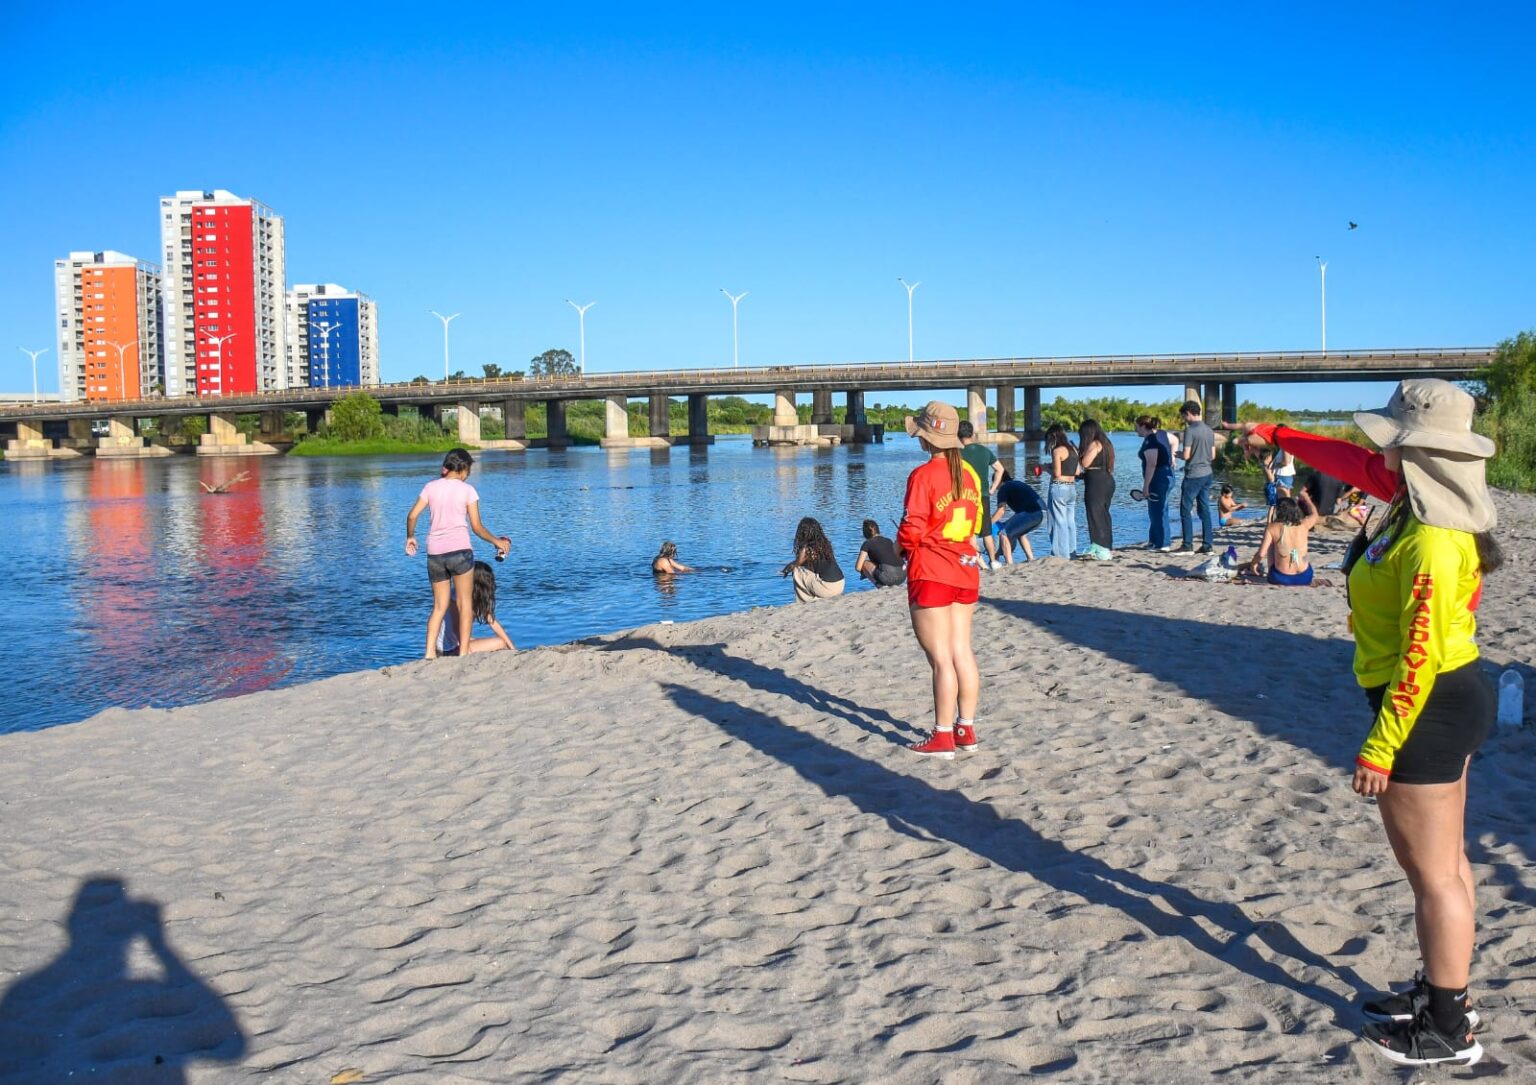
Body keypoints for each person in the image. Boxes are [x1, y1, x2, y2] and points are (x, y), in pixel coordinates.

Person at [1231, 379, 1501, 1067]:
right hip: (1444, 698)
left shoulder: (1436, 538)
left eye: (1393, 442)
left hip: (1427, 704)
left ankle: (1447, 1028)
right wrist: (1282, 436)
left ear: (1419, 450)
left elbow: (1419, 658)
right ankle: (1449, 994)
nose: (1382, 455)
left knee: (1432, 874)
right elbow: (1354, 464)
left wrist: (1380, 747)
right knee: (1448, 862)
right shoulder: (1420, 495)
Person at [897, 401, 983, 759]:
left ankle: (943, 735)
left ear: (925, 437)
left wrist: (901, 549)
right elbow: (976, 526)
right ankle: (966, 727)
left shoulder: (922, 475)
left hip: (931, 570)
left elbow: (913, 526)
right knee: (962, 650)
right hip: (965, 569)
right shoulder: (970, 474)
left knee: (940, 659)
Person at [404, 448, 510, 660]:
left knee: (439, 606)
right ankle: (463, 654)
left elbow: (412, 515)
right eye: (469, 469)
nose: (469, 473)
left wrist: (411, 536)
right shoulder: (467, 491)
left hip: (434, 553)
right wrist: (497, 542)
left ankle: (429, 654)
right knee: (464, 604)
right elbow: (477, 527)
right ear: (462, 468)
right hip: (460, 552)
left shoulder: (430, 487)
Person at [438, 561, 516, 655]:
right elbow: (456, 626)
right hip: (448, 649)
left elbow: (492, 622)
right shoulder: (456, 596)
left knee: (500, 643)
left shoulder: (474, 596)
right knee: (500, 643)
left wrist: (512, 648)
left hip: (457, 644)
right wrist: (465, 650)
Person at [959, 420, 1004, 569]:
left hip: (966, 496)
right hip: (984, 494)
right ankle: (994, 561)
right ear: (972, 434)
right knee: (987, 532)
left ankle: (980, 564)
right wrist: (993, 488)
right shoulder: (984, 451)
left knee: (970, 530)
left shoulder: (957, 453)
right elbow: (1000, 469)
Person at [1248, 491, 1319, 585]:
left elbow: (1261, 554)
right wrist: (1307, 499)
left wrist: (1253, 564)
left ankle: (1272, 570)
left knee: (1271, 543)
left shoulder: (1272, 527)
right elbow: (1315, 514)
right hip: (1305, 577)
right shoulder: (1304, 524)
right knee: (1293, 550)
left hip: (1280, 578)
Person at [1176, 399, 1217, 553]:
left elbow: (1186, 455)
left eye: (1184, 416)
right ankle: (1207, 545)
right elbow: (1212, 455)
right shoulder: (1209, 430)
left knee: (1185, 508)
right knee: (1204, 509)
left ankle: (1187, 544)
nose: (1184, 420)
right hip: (1208, 473)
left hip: (1193, 474)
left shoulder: (1190, 430)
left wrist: (1178, 454)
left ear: (1188, 413)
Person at [781, 517, 845, 602]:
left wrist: (785, 571)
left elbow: (795, 564)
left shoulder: (807, 549)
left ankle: (804, 601)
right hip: (840, 584)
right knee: (807, 570)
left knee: (797, 570)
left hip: (828, 588)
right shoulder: (826, 545)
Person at [1135, 415, 1175, 550]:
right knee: (1156, 510)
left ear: (1143, 426)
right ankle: (1154, 541)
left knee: (1158, 510)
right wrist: (1172, 457)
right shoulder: (1160, 434)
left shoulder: (1151, 441)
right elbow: (1175, 440)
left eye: (1137, 426)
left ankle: (1163, 543)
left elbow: (1151, 464)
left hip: (1159, 478)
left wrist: (1145, 486)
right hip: (1165, 476)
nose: (1135, 430)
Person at [1077, 419, 1116, 556]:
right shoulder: (1106, 443)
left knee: (1094, 514)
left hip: (1096, 483)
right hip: (1106, 479)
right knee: (1104, 514)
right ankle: (1107, 545)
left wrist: (1078, 455)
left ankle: (1099, 547)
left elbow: (1085, 463)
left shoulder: (1095, 444)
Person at [1043, 423, 1080, 559]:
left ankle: (1060, 554)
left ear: (1053, 436)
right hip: (1071, 488)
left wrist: (1046, 468)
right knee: (1070, 521)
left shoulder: (1057, 451)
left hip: (1059, 487)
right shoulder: (1073, 449)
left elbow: (1057, 473)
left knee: (1058, 521)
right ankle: (1072, 551)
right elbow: (1077, 471)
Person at [992, 471, 1043, 564]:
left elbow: (1001, 511)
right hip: (1044, 513)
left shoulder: (1003, 488)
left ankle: (1009, 563)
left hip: (1032, 513)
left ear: (998, 480)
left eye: (994, 482)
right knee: (1019, 531)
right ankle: (1031, 558)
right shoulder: (1018, 483)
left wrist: (988, 523)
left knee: (1004, 533)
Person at [855, 520, 906, 586]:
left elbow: (858, 567)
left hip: (889, 577)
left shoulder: (867, 543)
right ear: (878, 529)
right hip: (903, 575)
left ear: (865, 533)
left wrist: (866, 573)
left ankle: (877, 585)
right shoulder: (888, 540)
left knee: (864, 564)